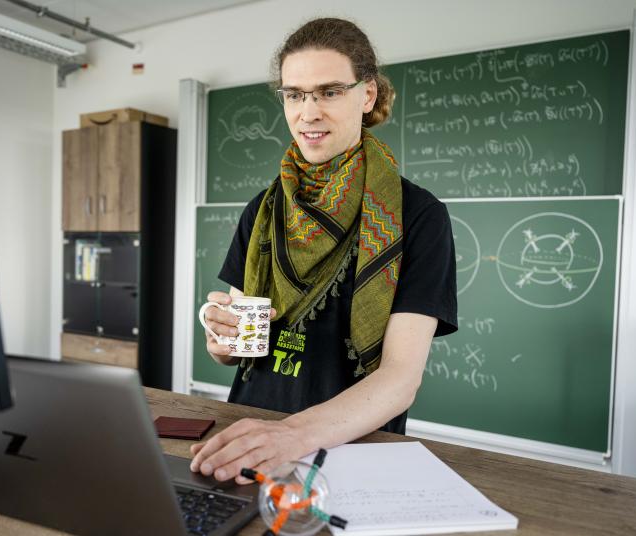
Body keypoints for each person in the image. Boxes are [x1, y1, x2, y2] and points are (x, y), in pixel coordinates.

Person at [191, 18, 457, 484]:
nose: (308, 112)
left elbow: (400, 379)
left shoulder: (418, 214)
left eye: (329, 92)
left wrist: (293, 435)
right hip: (250, 439)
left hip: (351, 454)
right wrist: (221, 335)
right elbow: (236, 351)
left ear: (367, 95)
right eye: (295, 95)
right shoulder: (265, 208)